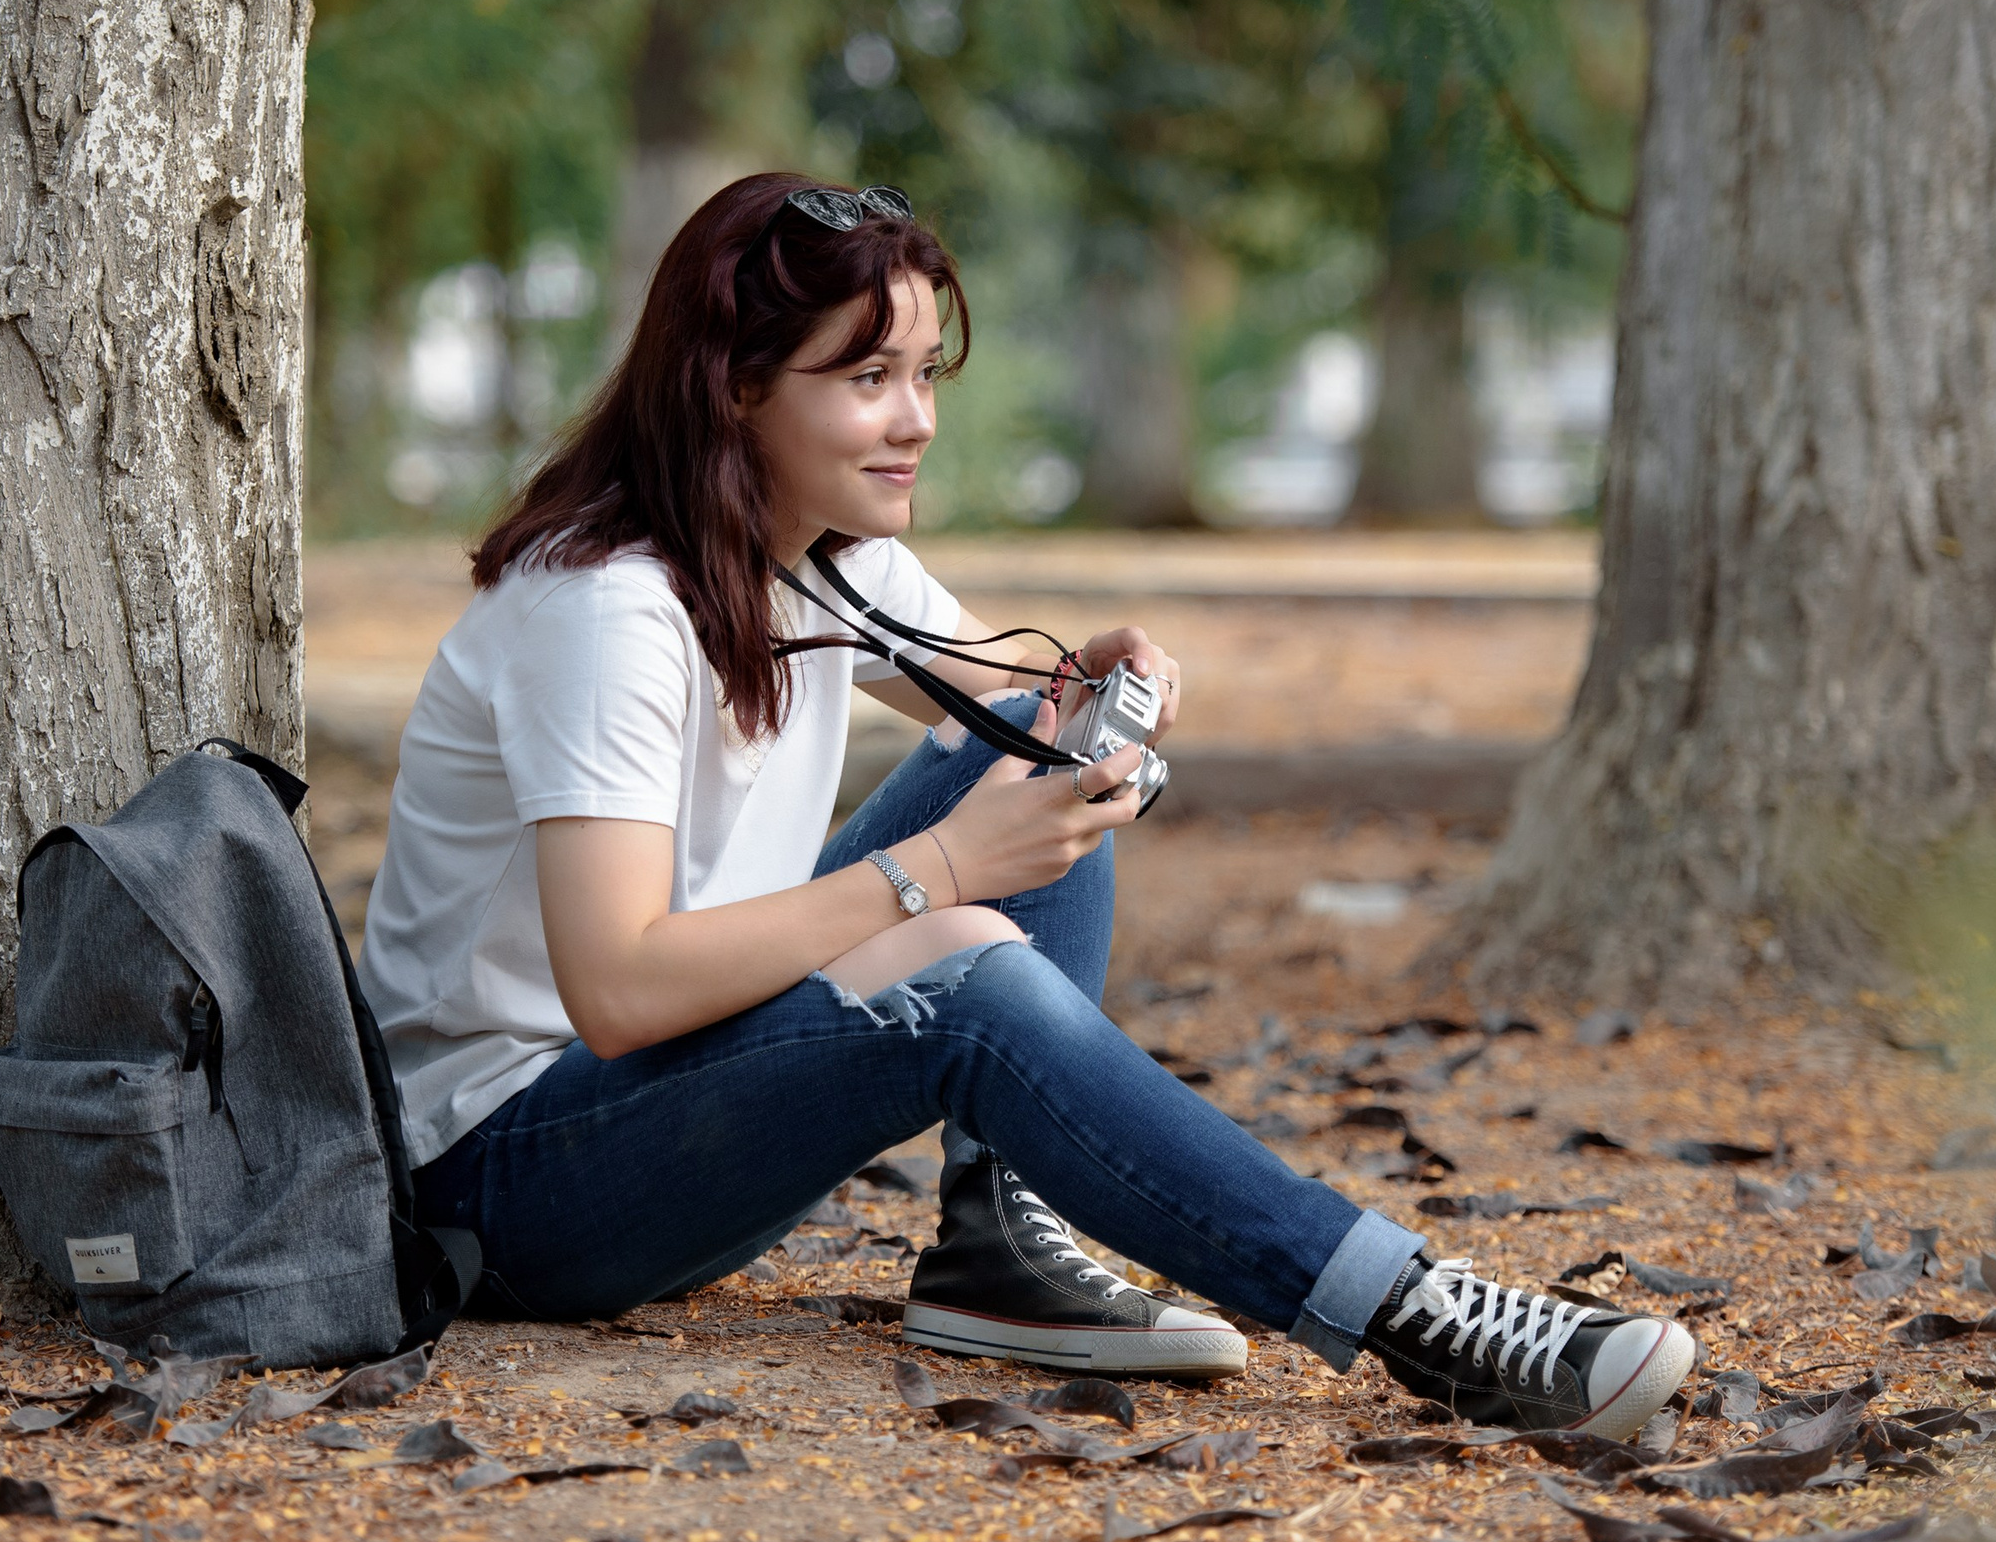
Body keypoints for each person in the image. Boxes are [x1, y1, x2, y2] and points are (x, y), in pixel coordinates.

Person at [359, 173, 1695, 1436]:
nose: (917, 418)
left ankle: (997, 1242)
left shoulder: (819, 557)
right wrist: (935, 868)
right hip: (508, 1181)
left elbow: (998, 691)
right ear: (737, 388)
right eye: (868, 377)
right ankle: (1414, 1311)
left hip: (662, 1114)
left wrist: (1090, 687)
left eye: (924, 374)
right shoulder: (604, 608)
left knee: (1040, 765)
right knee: (966, 963)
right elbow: (621, 988)